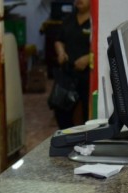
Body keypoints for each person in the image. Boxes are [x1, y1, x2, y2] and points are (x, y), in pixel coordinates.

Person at [53, 0, 91, 129]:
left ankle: (85, 138)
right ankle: (67, 137)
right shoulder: (69, 19)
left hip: (87, 76)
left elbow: (102, 46)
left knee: (87, 114)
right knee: (61, 111)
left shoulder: (95, 21)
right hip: (68, 73)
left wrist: (88, 58)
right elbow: (59, 40)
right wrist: (61, 52)